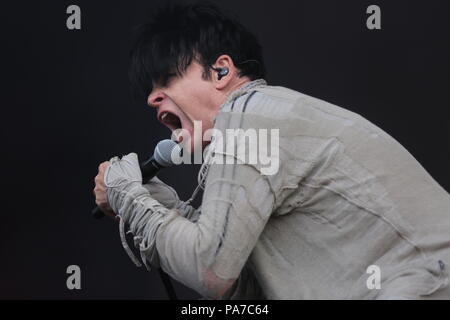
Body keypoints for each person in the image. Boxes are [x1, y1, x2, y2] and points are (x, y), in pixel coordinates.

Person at [93, 2, 450, 299]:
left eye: (166, 79)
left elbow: (210, 269)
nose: (152, 98)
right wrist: (157, 204)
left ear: (221, 71)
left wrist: (127, 196)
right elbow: (243, 293)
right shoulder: (257, 127)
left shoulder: (250, 114)